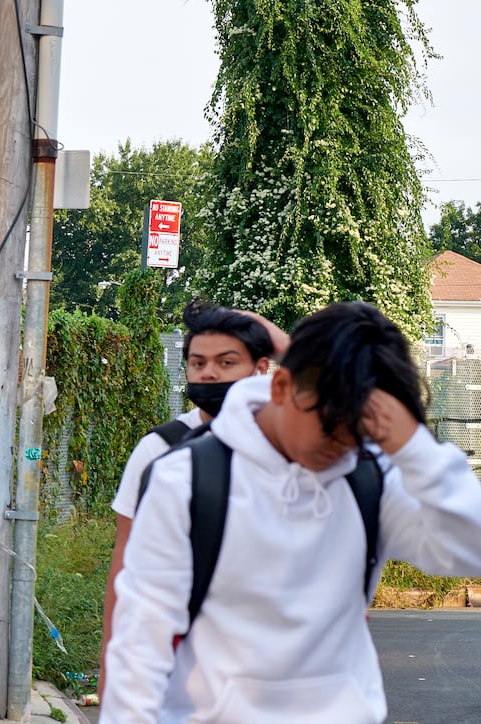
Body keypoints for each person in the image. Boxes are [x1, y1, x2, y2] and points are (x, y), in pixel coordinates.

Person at [105, 302, 481, 724]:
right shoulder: (187, 479)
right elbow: (141, 642)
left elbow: (472, 547)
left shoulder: (368, 479)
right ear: (281, 388)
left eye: (362, 426)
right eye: (330, 420)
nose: (343, 441)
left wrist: (413, 446)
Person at [98, 302, 286, 698]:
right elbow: (125, 569)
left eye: (226, 361)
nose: (210, 372)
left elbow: (350, 387)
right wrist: (110, 669)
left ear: (262, 368)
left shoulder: (291, 446)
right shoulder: (160, 450)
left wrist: (277, 338)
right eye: (197, 363)